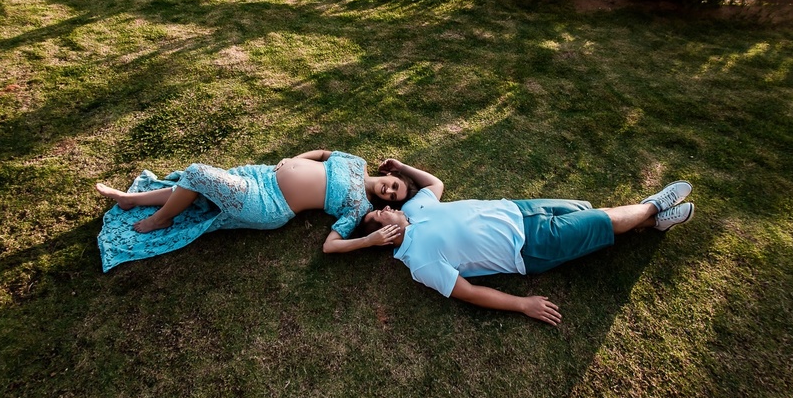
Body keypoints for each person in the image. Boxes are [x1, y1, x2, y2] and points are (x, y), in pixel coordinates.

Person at [360, 167, 695, 326]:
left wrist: (401, 168)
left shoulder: (414, 208)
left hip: (519, 208)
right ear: (385, 236)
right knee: (602, 222)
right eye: (381, 214)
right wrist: (522, 304)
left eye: (383, 206)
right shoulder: (419, 262)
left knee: (588, 211)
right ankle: (653, 205)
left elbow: (435, 184)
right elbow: (469, 292)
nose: (388, 208)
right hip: (530, 246)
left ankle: (655, 221)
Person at [95, 150, 420, 272]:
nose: (389, 190)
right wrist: (295, 159)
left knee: (198, 174)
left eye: (394, 194)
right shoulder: (356, 161)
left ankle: (160, 218)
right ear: (389, 176)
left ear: (385, 203)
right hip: (263, 175)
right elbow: (323, 153)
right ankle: (132, 201)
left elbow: (330, 245)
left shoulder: (357, 207)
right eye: (393, 184)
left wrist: (369, 239)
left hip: (269, 203)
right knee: (202, 187)